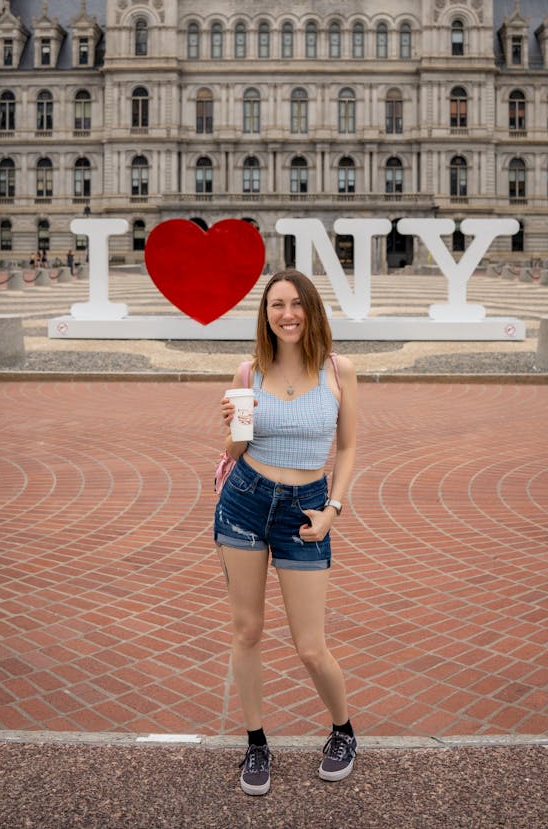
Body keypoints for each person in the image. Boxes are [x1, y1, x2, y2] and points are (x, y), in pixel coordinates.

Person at [215, 268, 357, 797]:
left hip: (306, 509)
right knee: (247, 630)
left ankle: (343, 730)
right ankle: (256, 742)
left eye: (296, 303)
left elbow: (346, 448)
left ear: (311, 309)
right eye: (277, 305)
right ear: (265, 314)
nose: (287, 314)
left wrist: (332, 510)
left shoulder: (339, 371)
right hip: (245, 503)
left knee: (310, 646)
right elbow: (234, 452)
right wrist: (230, 425)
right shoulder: (249, 371)